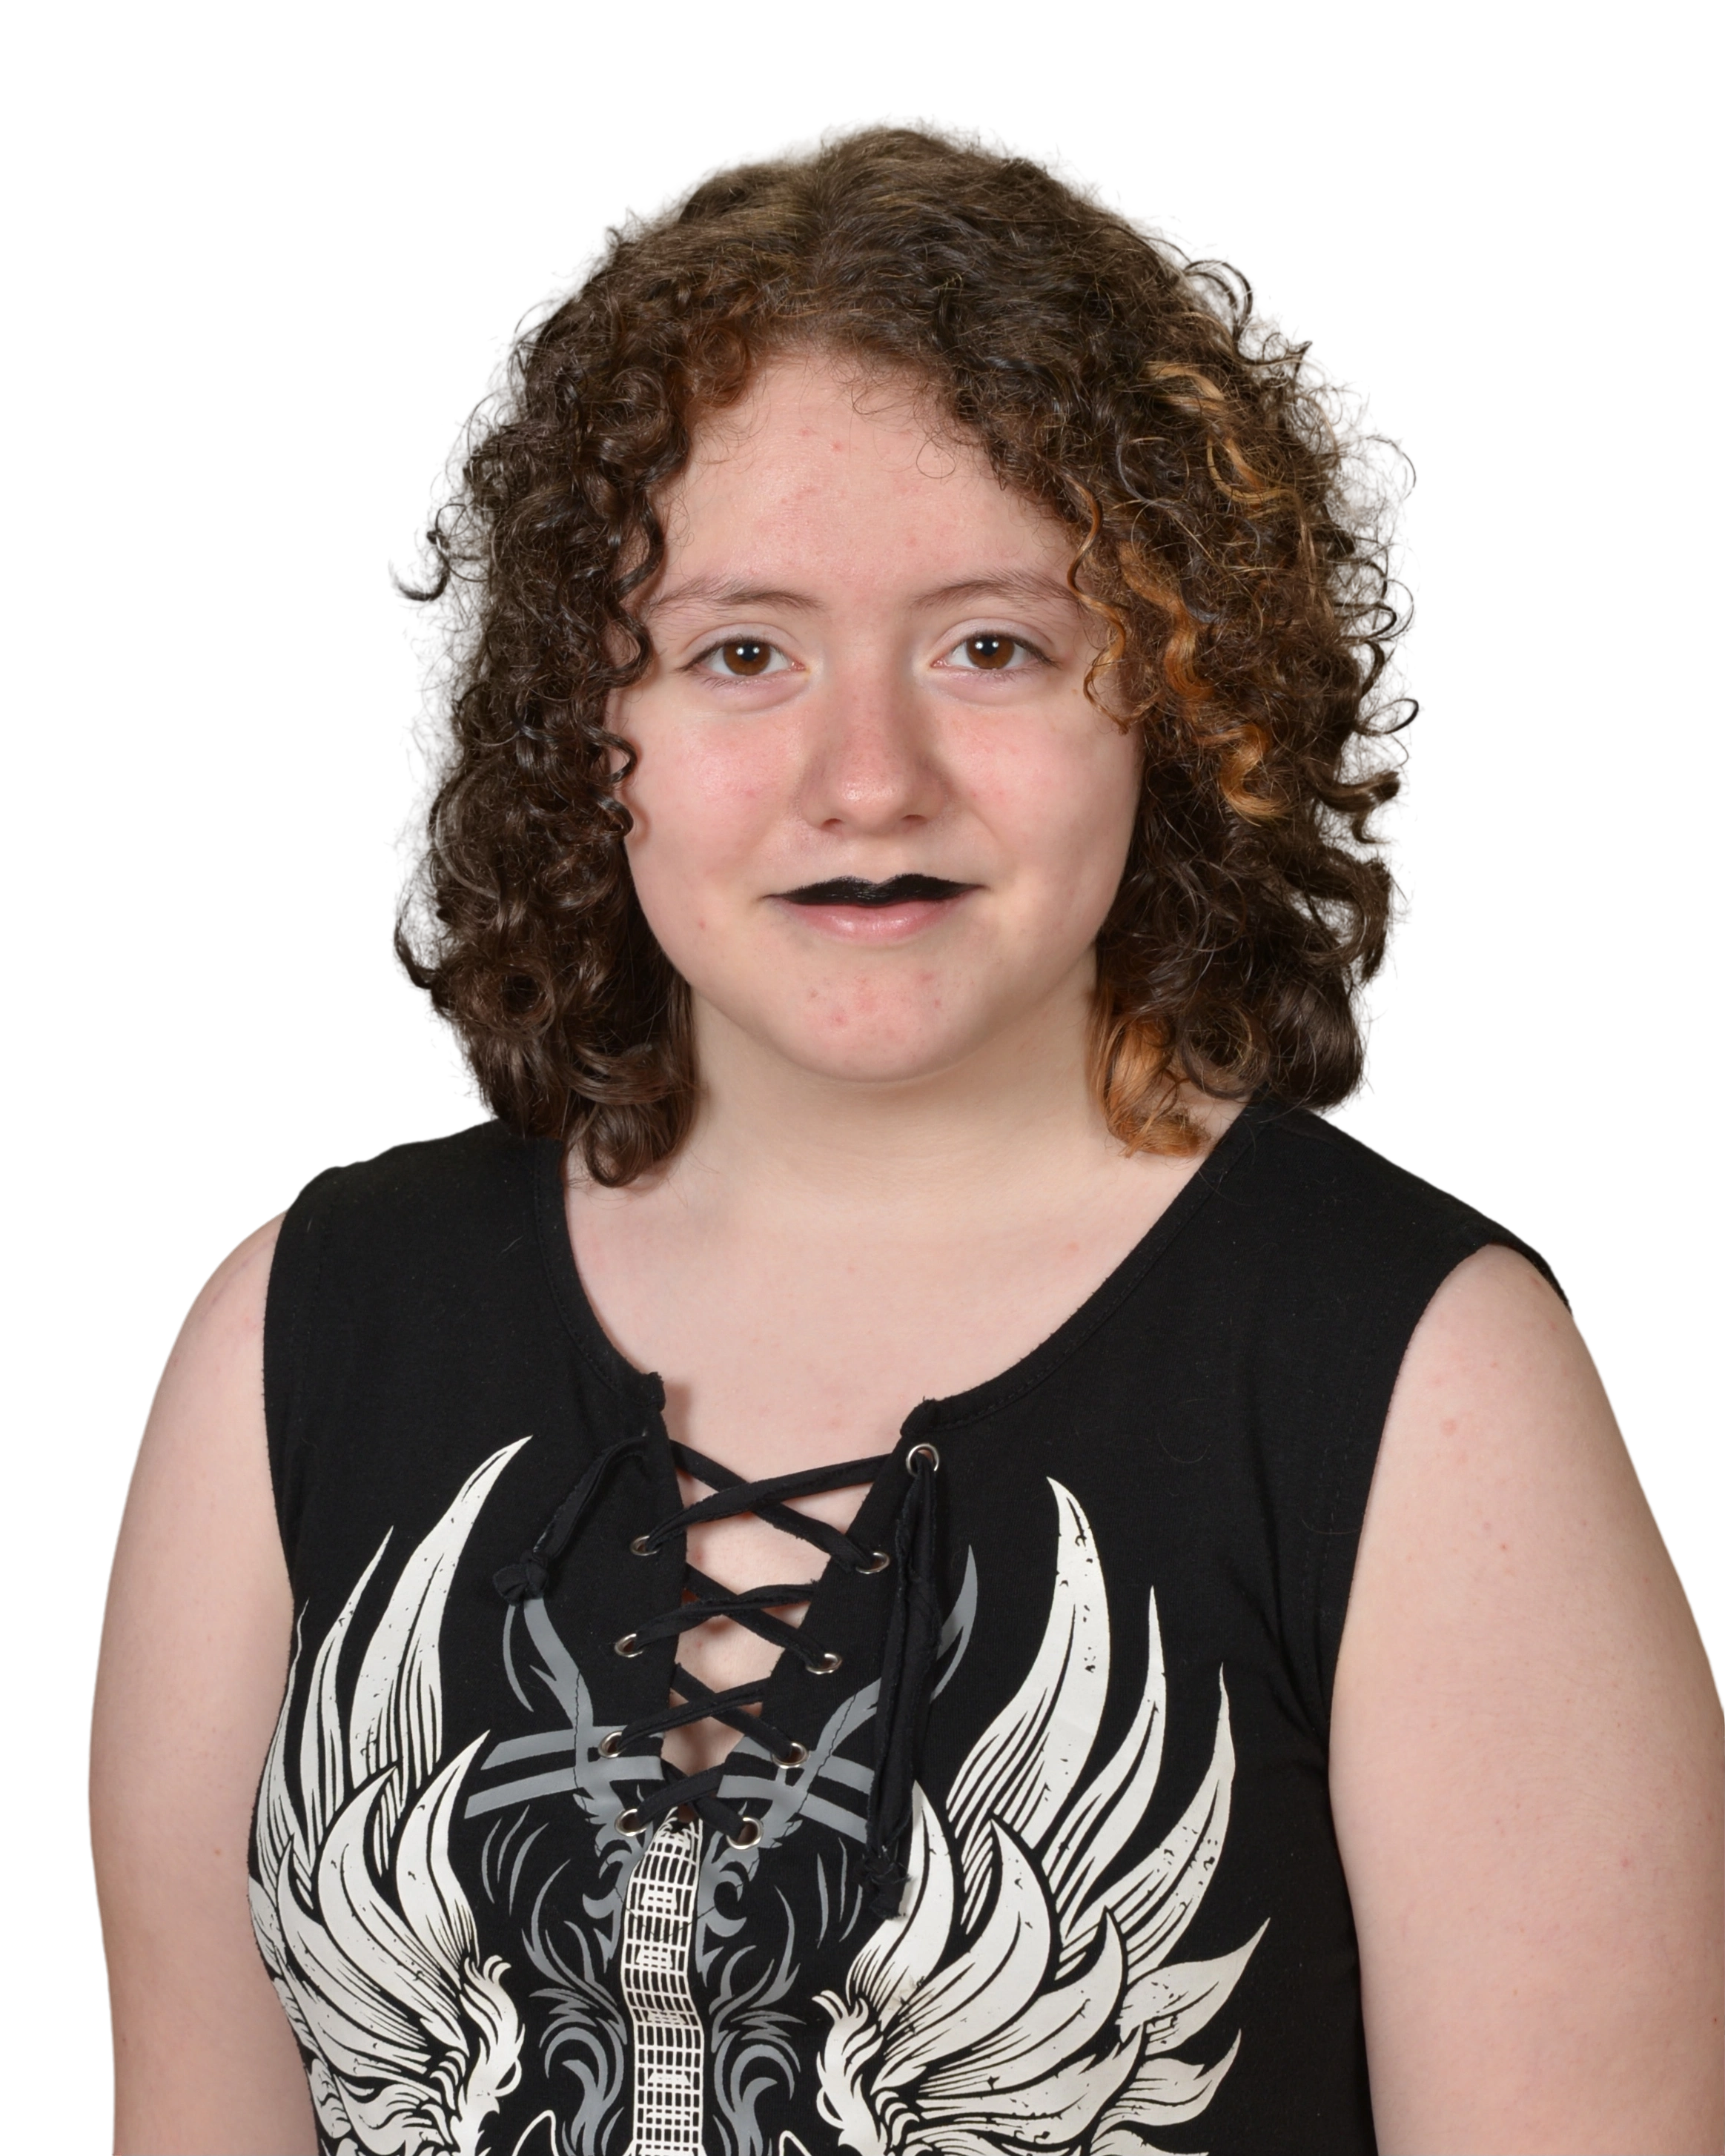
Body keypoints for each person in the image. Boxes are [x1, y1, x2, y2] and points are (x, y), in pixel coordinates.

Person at [87, 113, 1721, 2156]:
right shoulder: (294, 1339)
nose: (867, 775)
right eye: (741, 651)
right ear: (580, 729)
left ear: (1184, 700)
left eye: (992, 645)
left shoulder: (1423, 1378)